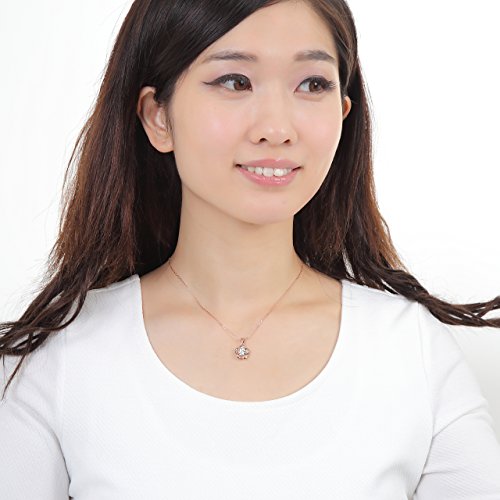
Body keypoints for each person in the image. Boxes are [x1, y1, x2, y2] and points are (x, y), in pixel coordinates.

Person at [1, 0, 500, 498]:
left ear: (344, 113)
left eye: (313, 84)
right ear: (158, 117)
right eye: (235, 81)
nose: (277, 129)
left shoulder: (411, 352)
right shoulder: (58, 359)